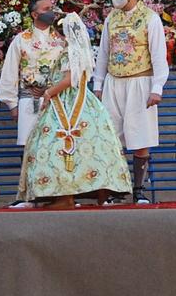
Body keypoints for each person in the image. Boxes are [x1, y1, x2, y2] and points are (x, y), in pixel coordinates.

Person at [17, 13, 132, 207]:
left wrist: (49, 93)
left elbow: (70, 79)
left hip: (67, 101)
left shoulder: (70, 51)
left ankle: (65, 196)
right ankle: (100, 194)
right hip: (84, 101)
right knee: (93, 145)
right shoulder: (81, 51)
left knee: (57, 144)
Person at [90, 0, 169, 203]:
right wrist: (98, 85)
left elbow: (159, 56)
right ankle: (115, 189)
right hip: (114, 83)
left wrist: (157, 88)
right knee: (111, 138)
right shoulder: (111, 18)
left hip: (140, 84)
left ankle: (139, 190)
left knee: (140, 136)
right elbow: (103, 53)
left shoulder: (150, 18)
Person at [0, 0, 71, 204]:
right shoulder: (21, 40)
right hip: (29, 99)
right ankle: (28, 194)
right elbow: (10, 72)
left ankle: (53, 194)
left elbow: (68, 73)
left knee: (54, 146)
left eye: (51, 7)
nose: (51, 12)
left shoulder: (62, 41)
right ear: (34, 14)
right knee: (28, 146)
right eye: (46, 9)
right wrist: (12, 104)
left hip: (55, 101)